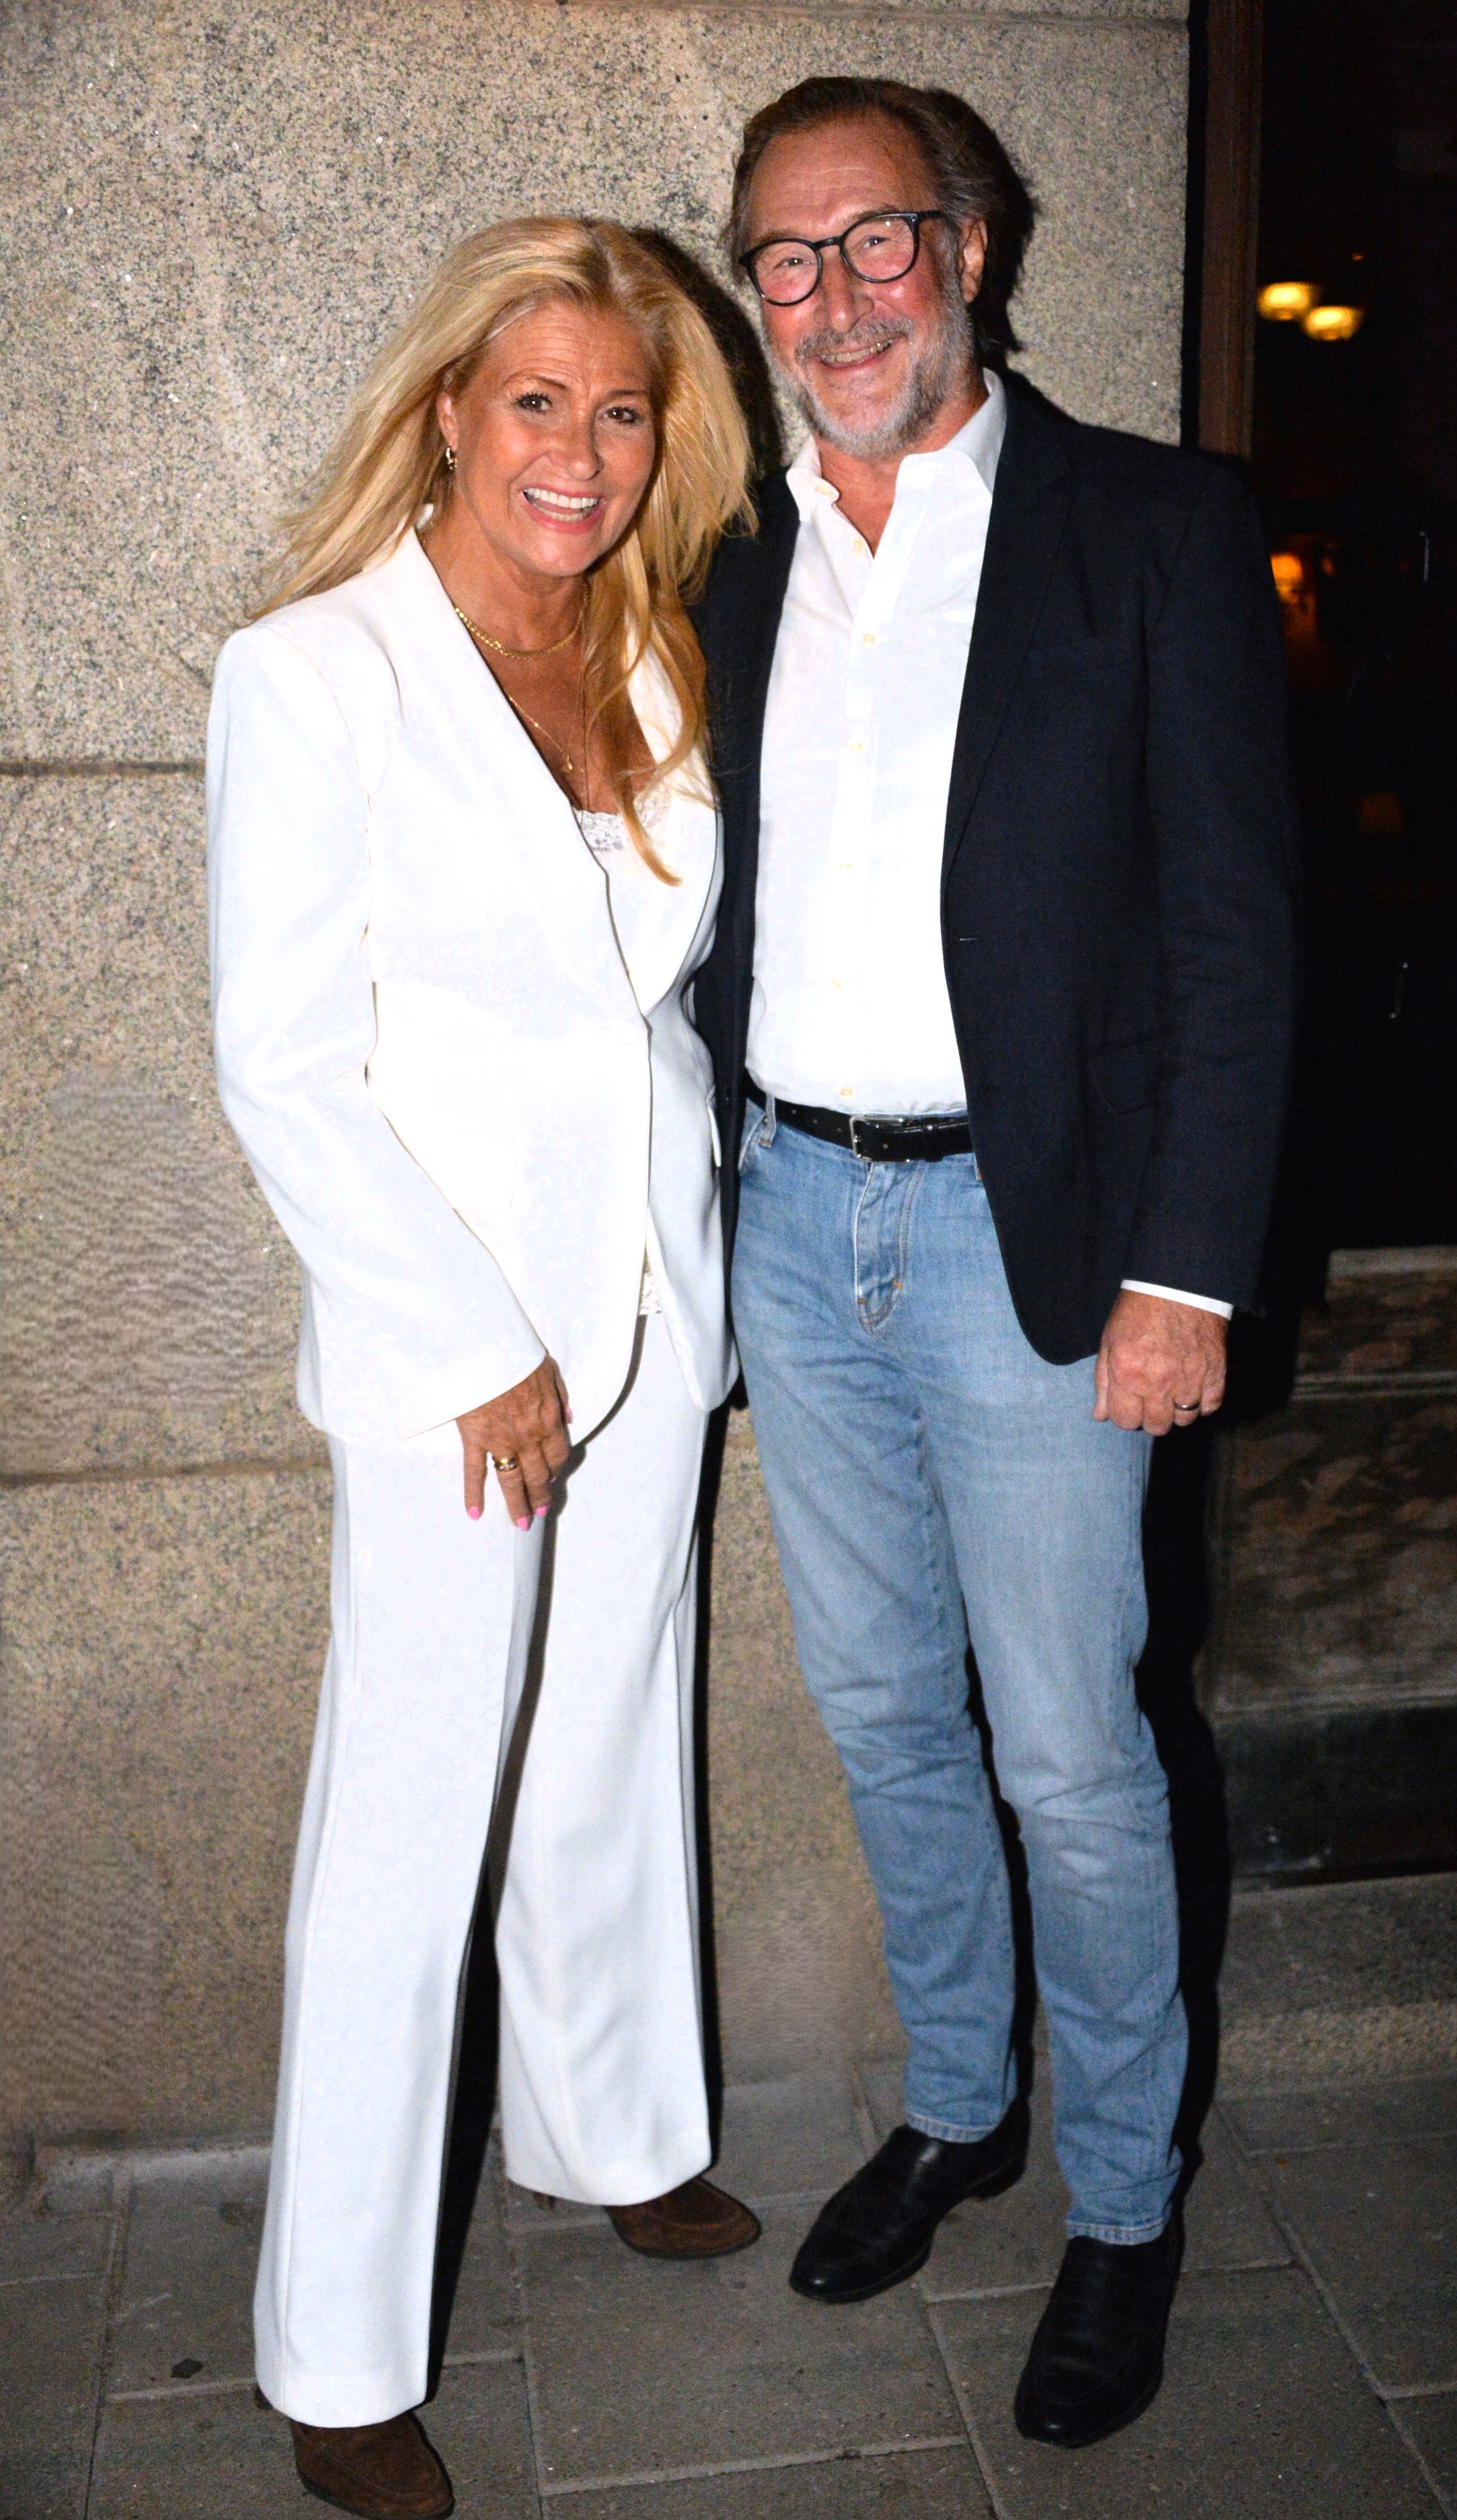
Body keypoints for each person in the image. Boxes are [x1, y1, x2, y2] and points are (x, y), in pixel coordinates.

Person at [691, 79, 1298, 2450]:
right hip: (791, 1215)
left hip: (1033, 1244)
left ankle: (1126, 2199)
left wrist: (1187, 1275)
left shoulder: (1151, 526)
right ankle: (964, 2103)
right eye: (788, 256)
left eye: (879, 241)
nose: (837, 297)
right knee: (881, 1712)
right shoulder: (734, 552)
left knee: (1069, 1747)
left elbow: (1239, 937)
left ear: (970, 248)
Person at [207, 217, 758, 2520]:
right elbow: (281, 1062)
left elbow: (640, 1008)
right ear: (448, 410)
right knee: (410, 1815)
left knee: (614, 1731)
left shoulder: (644, 648)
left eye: (623, 411)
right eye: (539, 401)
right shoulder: (313, 670)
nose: (583, 452)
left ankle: (610, 2124)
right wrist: (463, 1342)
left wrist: (665, 1282)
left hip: (652, 1296)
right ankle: (337, 2347)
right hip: (456, 1348)